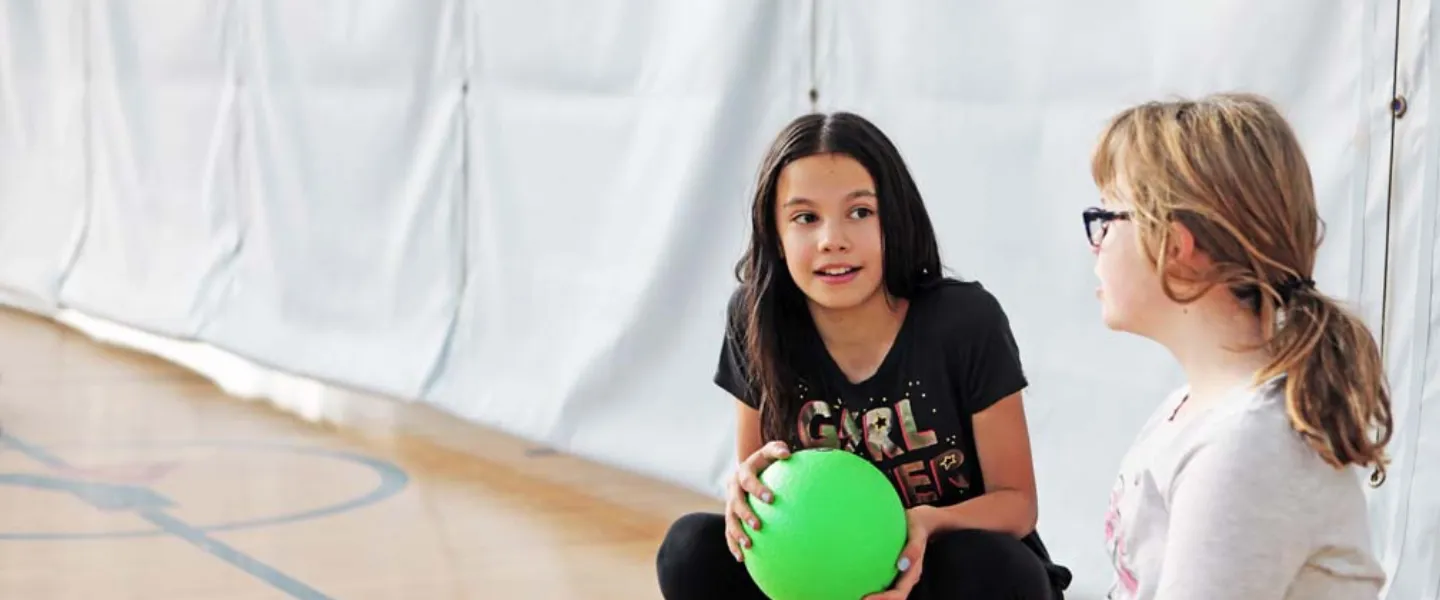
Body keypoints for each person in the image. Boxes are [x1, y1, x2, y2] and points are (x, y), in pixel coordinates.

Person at [654, 111, 1072, 599]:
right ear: (776, 235)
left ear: (895, 219)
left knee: (1002, 571)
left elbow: (1017, 504)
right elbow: (758, 490)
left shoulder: (963, 321)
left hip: (936, 570)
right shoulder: (756, 318)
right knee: (690, 548)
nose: (833, 239)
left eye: (860, 212)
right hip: (823, 575)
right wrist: (745, 488)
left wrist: (925, 524)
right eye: (805, 218)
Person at [1085, 93, 1394, 599]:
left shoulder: (1245, 448)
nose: (1096, 243)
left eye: (1105, 217)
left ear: (1175, 246)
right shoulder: (1193, 413)